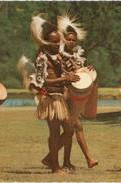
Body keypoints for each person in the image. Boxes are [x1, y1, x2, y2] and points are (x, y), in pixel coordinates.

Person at [42, 15, 98, 170]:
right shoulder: (55, 56)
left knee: (72, 128)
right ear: (62, 39)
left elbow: (80, 74)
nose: (71, 42)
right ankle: (82, 159)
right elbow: (53, 77)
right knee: (73, 127)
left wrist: (88, 70)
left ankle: (63, 160)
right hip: (63, 95)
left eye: (74, 40)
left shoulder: (75, 56)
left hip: (74, 97)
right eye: (68, 39)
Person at [29, 14, 80, 174]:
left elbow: (67, 73)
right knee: (54, 132)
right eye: (54, 41)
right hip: (50, 98)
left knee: (70, 130)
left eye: (59, 41)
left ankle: (50, 158)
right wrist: (65, 78)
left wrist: (78, 74)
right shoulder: (41, 58)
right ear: (45, 41)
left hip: (60, 98)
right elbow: (41, 82)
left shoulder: (58, 56)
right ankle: (55, 167)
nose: (58, 44)